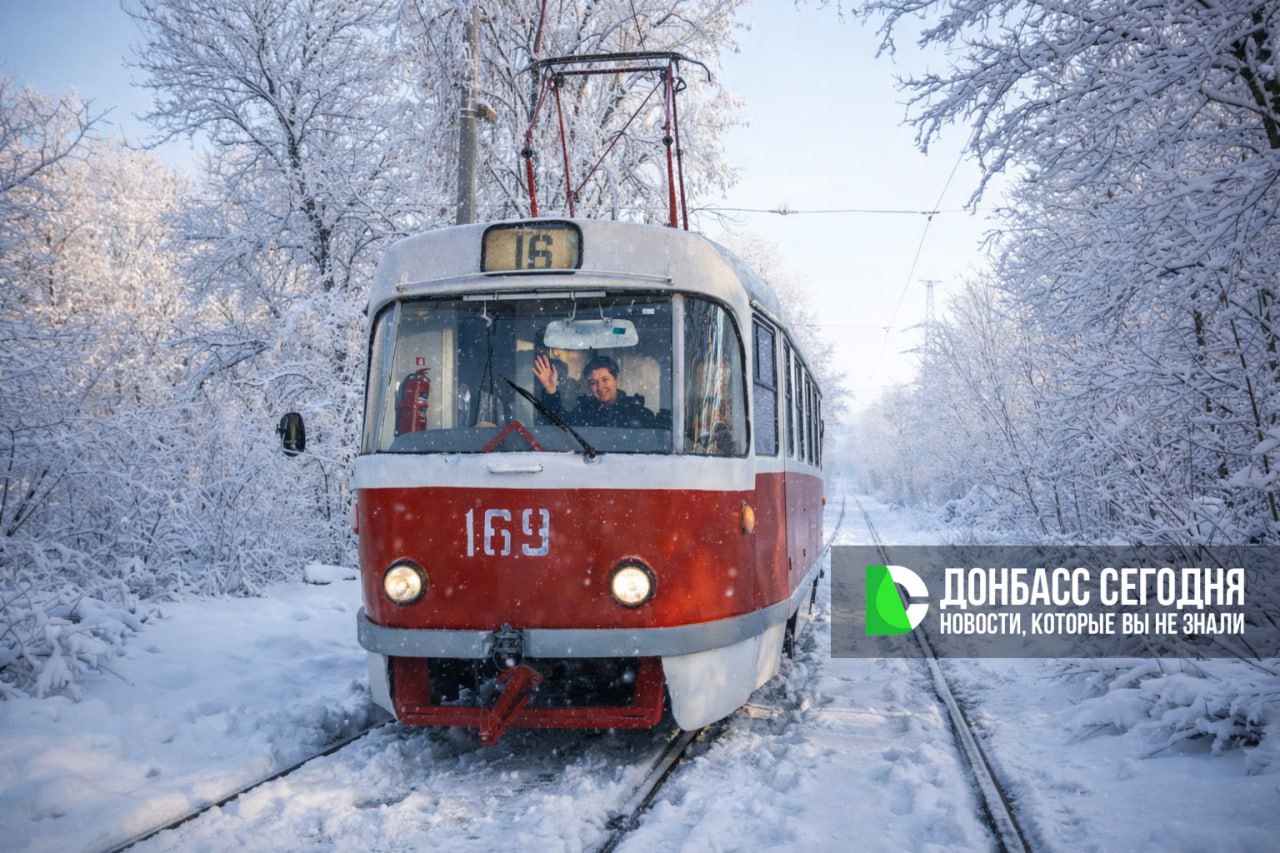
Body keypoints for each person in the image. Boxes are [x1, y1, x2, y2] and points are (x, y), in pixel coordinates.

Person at [532, 353, 658, 428]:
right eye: (593, 383)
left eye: (605, 380)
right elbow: (558, 423)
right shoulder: (584, 412)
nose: (600, 387)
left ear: (616, 381)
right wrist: (550, 389)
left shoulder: (638, 413)